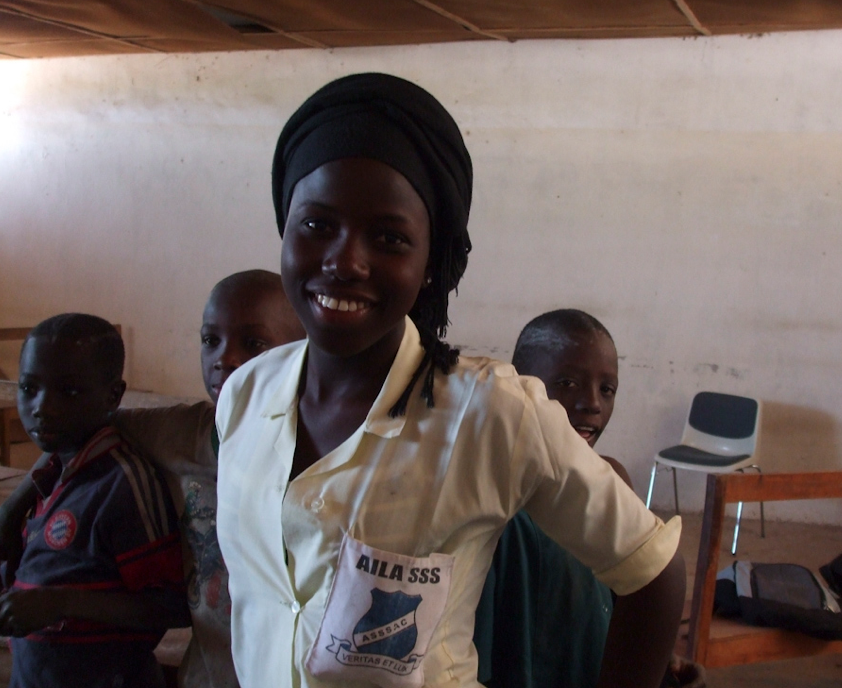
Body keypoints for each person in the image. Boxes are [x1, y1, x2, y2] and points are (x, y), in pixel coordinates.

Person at [214, 72, 686, 688]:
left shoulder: (488, 412)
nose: (345, 260)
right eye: (317, 225)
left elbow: (652, 572)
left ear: (432, 263)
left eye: (389, 238)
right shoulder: (245, 395)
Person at [0, 271, 306, 688]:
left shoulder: (322, 447)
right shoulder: (183, 432)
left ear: (303, 350)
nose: (225, 358)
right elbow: (77, 427)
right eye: (210, 340)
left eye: (253, 344)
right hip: (210, 676)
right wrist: (13, 507)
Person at [474, 309, 705, 688]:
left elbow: (624, 603)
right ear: (519, 388)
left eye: (607, 389)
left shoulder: (614, 480)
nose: (592, 403)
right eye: (567, 383)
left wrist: (661, 661)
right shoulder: (495, 508)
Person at [0, 313, 189, 688]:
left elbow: (172, 605)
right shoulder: (48, 476)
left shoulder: (122, 483)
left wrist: (62, 602)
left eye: (69, 392)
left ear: (113, 396)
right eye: (28, 388)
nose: (42, 407)